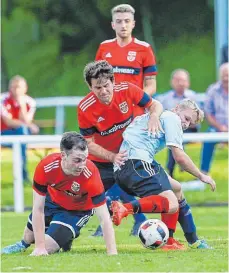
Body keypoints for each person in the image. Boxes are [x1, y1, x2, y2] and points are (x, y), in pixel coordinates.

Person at [111, 99, 216, 250]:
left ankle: (185, 241)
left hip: (128, 166)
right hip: (136, 163)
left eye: (190, 123)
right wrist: (201, 175)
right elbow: (179, 157)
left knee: (177, 188)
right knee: (172, 204)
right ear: (177, 108)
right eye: (186, 118)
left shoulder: (161, 116)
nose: (186, 124)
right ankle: (124, 208)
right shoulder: (171, 118)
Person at [78, 60, 163, 235]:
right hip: (101, 162)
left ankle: (180, 237)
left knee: (166, 190)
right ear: (90, 87)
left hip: (129, 155)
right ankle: (62, 229)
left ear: (113, 82)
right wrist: (112, 157)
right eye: (97, 88)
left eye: (106, 86)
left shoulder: (127, 89)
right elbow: (87, 143)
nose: (103, 91)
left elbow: (155, 104)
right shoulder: (85, 108)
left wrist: (154, 115)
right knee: (79, 197)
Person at [94, 3, 158, 235]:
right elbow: (96, 81)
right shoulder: (104, 48)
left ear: (133, 23)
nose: (122, 25)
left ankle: (125, 217)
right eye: (118, 21)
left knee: (125, 168)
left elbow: (150, 83)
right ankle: (125, 217)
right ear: (112, 24)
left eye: (126, 21)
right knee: (109, 168)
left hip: (133, 118)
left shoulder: (144, 49)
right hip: (108, 119)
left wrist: (136, 99)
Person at [1, 132, 117, 256]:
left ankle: (66, 234)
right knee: (29, 237)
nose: (82, 165)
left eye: (85, 159)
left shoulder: (90, 173)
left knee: (48, 247)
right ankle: (23, 243)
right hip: (52, 201)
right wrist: (39, 248)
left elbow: (104, 217)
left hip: (76, 211)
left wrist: (112, 253)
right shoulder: (46, 167)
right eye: (77, 160)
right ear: (63, 155)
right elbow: (38, 209)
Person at [156, 69, 198, 178]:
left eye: (183, 80)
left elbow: (198, 117)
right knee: (174, 138)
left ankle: (172, 169)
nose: (180, 83)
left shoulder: (193, 97)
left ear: (188, 82)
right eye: (177, 80)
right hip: (170, 129)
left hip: (189, 128)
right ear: (172, 82)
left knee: (174, 139)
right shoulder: (165, 98)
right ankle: (179, 164)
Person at [1, 75, 39, 182]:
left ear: (25, 88)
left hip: (21, 134)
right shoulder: (2, 100)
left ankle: (21, 176)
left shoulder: (30, 102)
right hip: (4, 133)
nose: (16, 90)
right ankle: (23, 175)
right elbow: (8, 122)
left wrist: (21, 104)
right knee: (22, 133)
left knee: (22, 133)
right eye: (13, 87)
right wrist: (29, 125)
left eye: (18, 87)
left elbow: (27, 120)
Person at [199, 62, 228, 175]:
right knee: (208, 138)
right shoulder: (213, 90)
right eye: (224, 75)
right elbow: (208, 113)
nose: (226, 78)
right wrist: (220, 127)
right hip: (217, 128)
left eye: (228, 75)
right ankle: (203, 172)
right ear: (220, 76)